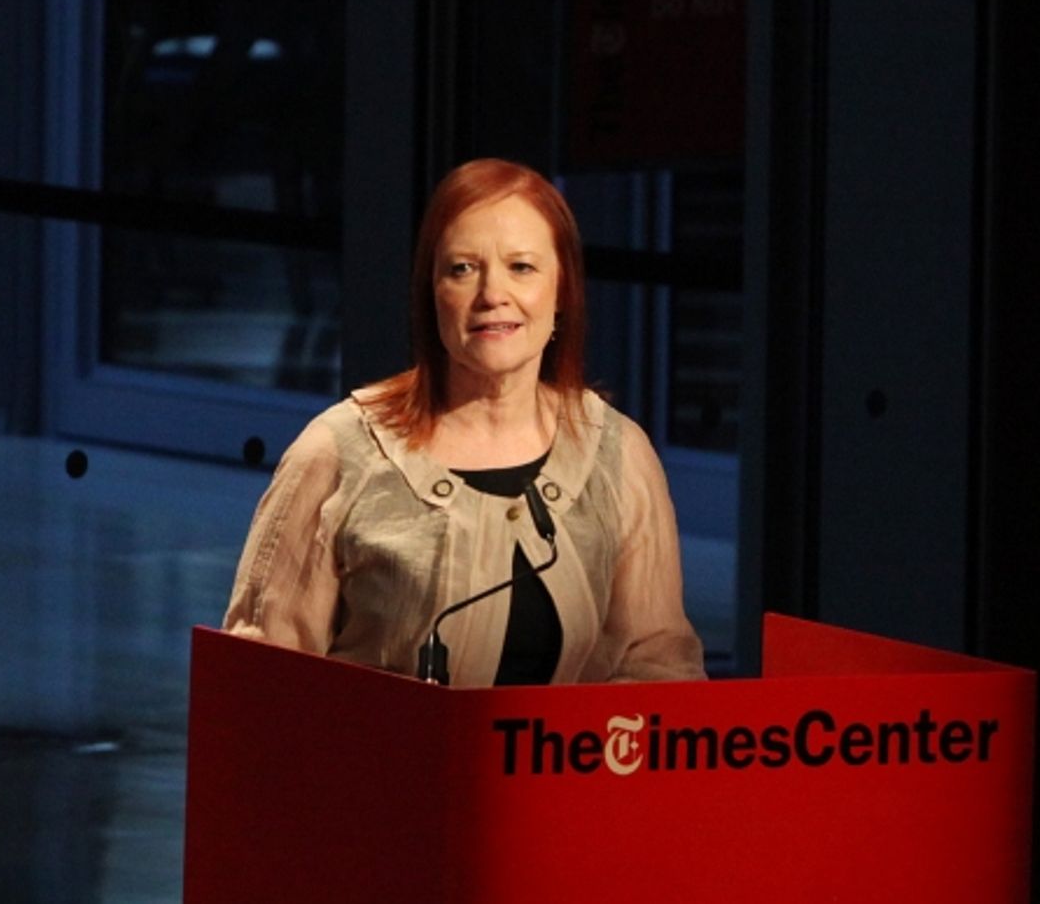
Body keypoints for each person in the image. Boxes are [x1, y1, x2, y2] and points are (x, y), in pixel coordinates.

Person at [223, 158, 705, 686]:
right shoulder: (337, 451)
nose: (492, 294)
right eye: (462, 269)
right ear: (432, 294)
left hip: (560, 767)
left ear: (562, 290)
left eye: (521, 267)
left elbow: (660, 667)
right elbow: (261, 683)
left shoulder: (617, 451)